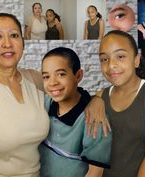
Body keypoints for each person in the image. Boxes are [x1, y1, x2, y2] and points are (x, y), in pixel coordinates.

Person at [0, 13, 107, 177]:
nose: (7, 44)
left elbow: (72, 95)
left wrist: (96, 101)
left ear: (23, 42)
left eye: (14, 35)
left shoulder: (36, 80)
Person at [95, 30, 145, 177]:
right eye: (104, 59)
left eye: (120, 56)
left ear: (136, 60)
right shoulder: (99, 98)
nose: (111, 65)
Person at [39, 47, 112, 177]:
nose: (52, 83)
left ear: (78, 75)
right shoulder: (45, 103)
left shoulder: (95, 119)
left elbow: (95, 173)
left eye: (61, 74)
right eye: (46, 77)